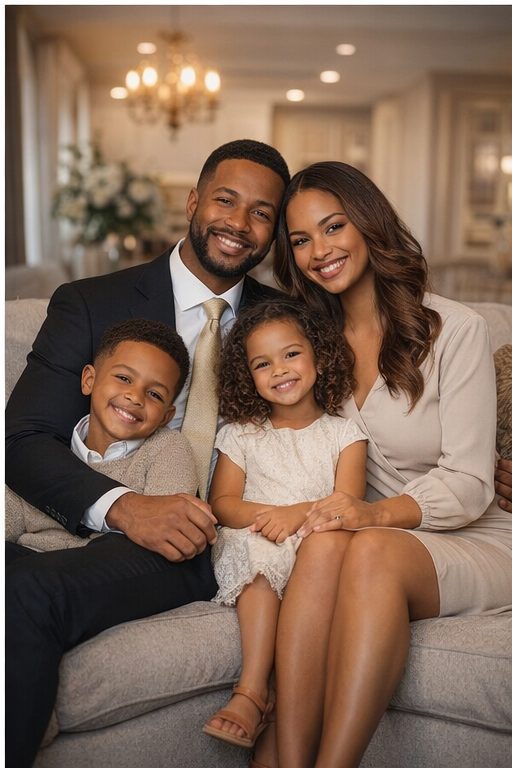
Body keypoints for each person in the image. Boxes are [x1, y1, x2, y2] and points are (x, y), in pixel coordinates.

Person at [5, 139, 290, 768]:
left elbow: (359, 421)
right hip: (98, 515)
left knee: (24, 595)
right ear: (192, 201)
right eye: (225, 200)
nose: (239, 224)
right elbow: (22, 438)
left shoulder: (292, 325)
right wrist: (126, 507)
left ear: (274, 231)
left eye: (262, 213)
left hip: (203, 543)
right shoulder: (90, 302)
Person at [249, 160, 512, 768]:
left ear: (369, 224)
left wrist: (369, 515)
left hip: (479, 537)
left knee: (365, 545)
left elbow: (473, 483)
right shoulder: (308, 347)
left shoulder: (456, 330)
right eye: (301, 240)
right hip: (372, 533)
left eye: (334, 226)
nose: (320, 250)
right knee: (324, 546)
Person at [202, 298, 367, 750]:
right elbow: (223, 504)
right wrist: (267, 518)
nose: (279, 370)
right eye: (262, 363)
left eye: (291, 353)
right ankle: (252, 690)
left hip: (317, 545)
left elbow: (346, 503)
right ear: (247, 377)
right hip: (259, 540)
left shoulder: (344, 434)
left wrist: (294, 516)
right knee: (261, 555)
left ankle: (274, 717)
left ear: (318, 354)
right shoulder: (241, 433)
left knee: (317, 554)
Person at [7, 318, 196, 553]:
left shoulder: (168, 450)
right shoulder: (44, 453)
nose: (135, 397)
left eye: (154, 394)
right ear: (89, 380)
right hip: (27, 569)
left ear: (166, 417)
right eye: (124, 378)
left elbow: (165, 535)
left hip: (106, 578)